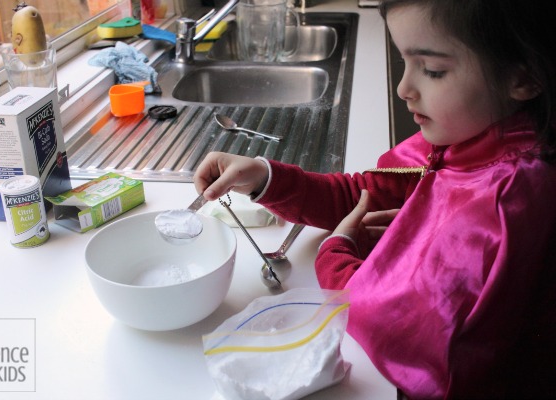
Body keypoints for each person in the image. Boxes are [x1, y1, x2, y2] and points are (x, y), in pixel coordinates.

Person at [193, 0, 556, 398]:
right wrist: (266, 178)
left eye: (432, 70)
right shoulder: (475, 136)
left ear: (524, 77)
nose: (404, 89)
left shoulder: (499, 206)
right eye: (405, 62)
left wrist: (335, 255)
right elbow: (361, 195)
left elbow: (390, 325)